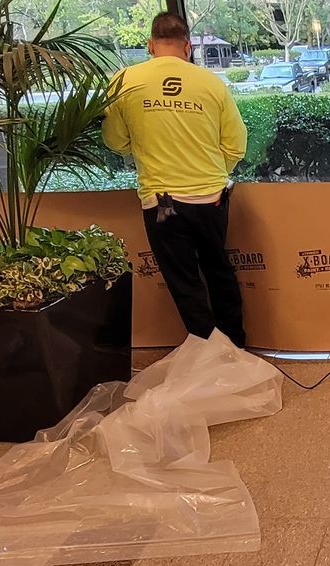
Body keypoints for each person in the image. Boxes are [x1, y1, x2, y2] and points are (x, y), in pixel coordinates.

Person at [101, 12, 250, 347]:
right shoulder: (211, 83)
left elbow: (115, 141)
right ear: (188, 45)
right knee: (218, 270)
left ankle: (207, 353)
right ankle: (237, 348)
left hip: (162, 201)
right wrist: (212, 174)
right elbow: (236, 145)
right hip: (212, 198)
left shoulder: (124, 81)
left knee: (185, 283)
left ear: (150, 45)